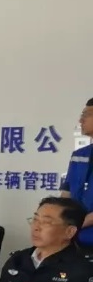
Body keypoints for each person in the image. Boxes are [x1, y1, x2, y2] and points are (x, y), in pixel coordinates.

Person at [0, 197, 93, 282]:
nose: (36, 227)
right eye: (35, 220)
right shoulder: (18, 260)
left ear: (69, 232)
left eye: (46, 222)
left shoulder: (83, 269)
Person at [61, 97, 93, 249]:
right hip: (73, 240)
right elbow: (66, 194)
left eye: (87, 115)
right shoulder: (78, 155)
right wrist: (59, 221)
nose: (81, 120)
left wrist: (76, 225)